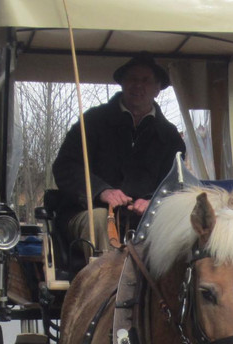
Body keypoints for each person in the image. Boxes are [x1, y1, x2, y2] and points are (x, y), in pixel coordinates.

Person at [51, 53, 187, 253]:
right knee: (99, 219)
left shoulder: (170, 136)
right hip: (87, 212)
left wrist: (152, 201)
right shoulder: (92, 122)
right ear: (122, 84)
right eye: (132, 79)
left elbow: (175, 181)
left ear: (157, 89)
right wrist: (102, 191)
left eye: (145, 80)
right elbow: (65, 167)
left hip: (145, 218)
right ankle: (109, 282)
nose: (138, 85)